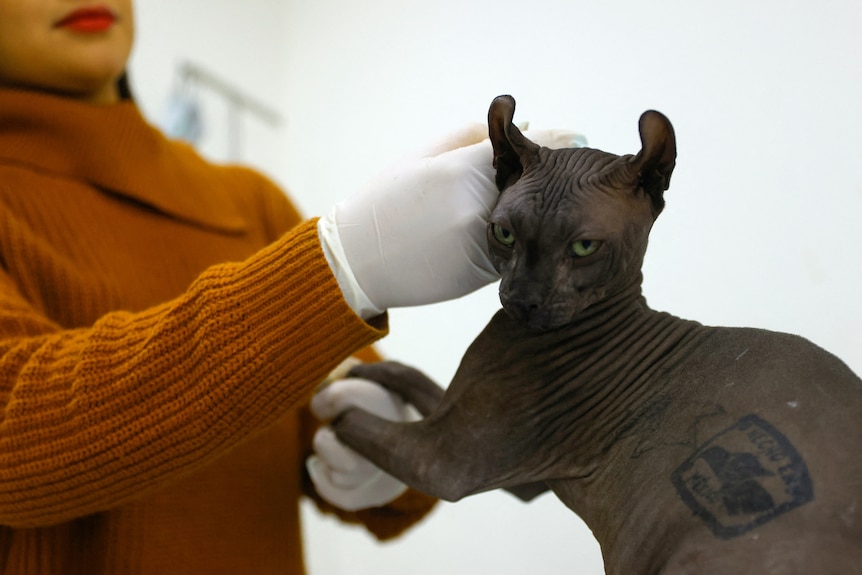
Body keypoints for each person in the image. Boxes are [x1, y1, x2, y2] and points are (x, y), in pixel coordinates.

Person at [0, 1, 582, 573]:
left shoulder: (247, 202)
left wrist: (389, 441)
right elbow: (18, 434)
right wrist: (339, 265)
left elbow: (374, 457)